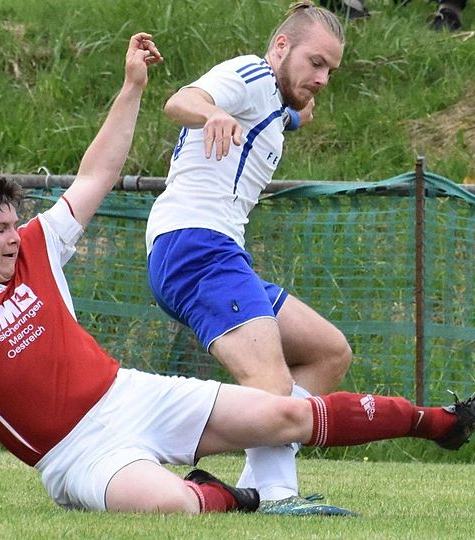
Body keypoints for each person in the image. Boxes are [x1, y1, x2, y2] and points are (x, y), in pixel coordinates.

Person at [0, 31, 475, 516]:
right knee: (174, 506)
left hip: (132, 394)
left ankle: (442, 422)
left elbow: (97, 174)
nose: (15, 236)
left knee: (289, 407)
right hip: (74, 453)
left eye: (14, 223)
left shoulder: (38, 245)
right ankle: (249, 498)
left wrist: (131, 86)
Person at [144, 1, 357, 515]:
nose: (322, 78)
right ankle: (278, 496)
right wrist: (212, 111)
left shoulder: (273, 102)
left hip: (213, 251)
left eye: (330, 70)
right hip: (196, 245)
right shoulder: (251, 73)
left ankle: (257, 481)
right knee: (271, 383)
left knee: (329, 353)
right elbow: (181, 100)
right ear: (281, 46)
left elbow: (280, 115)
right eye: (315, 62)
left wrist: (297, 114)